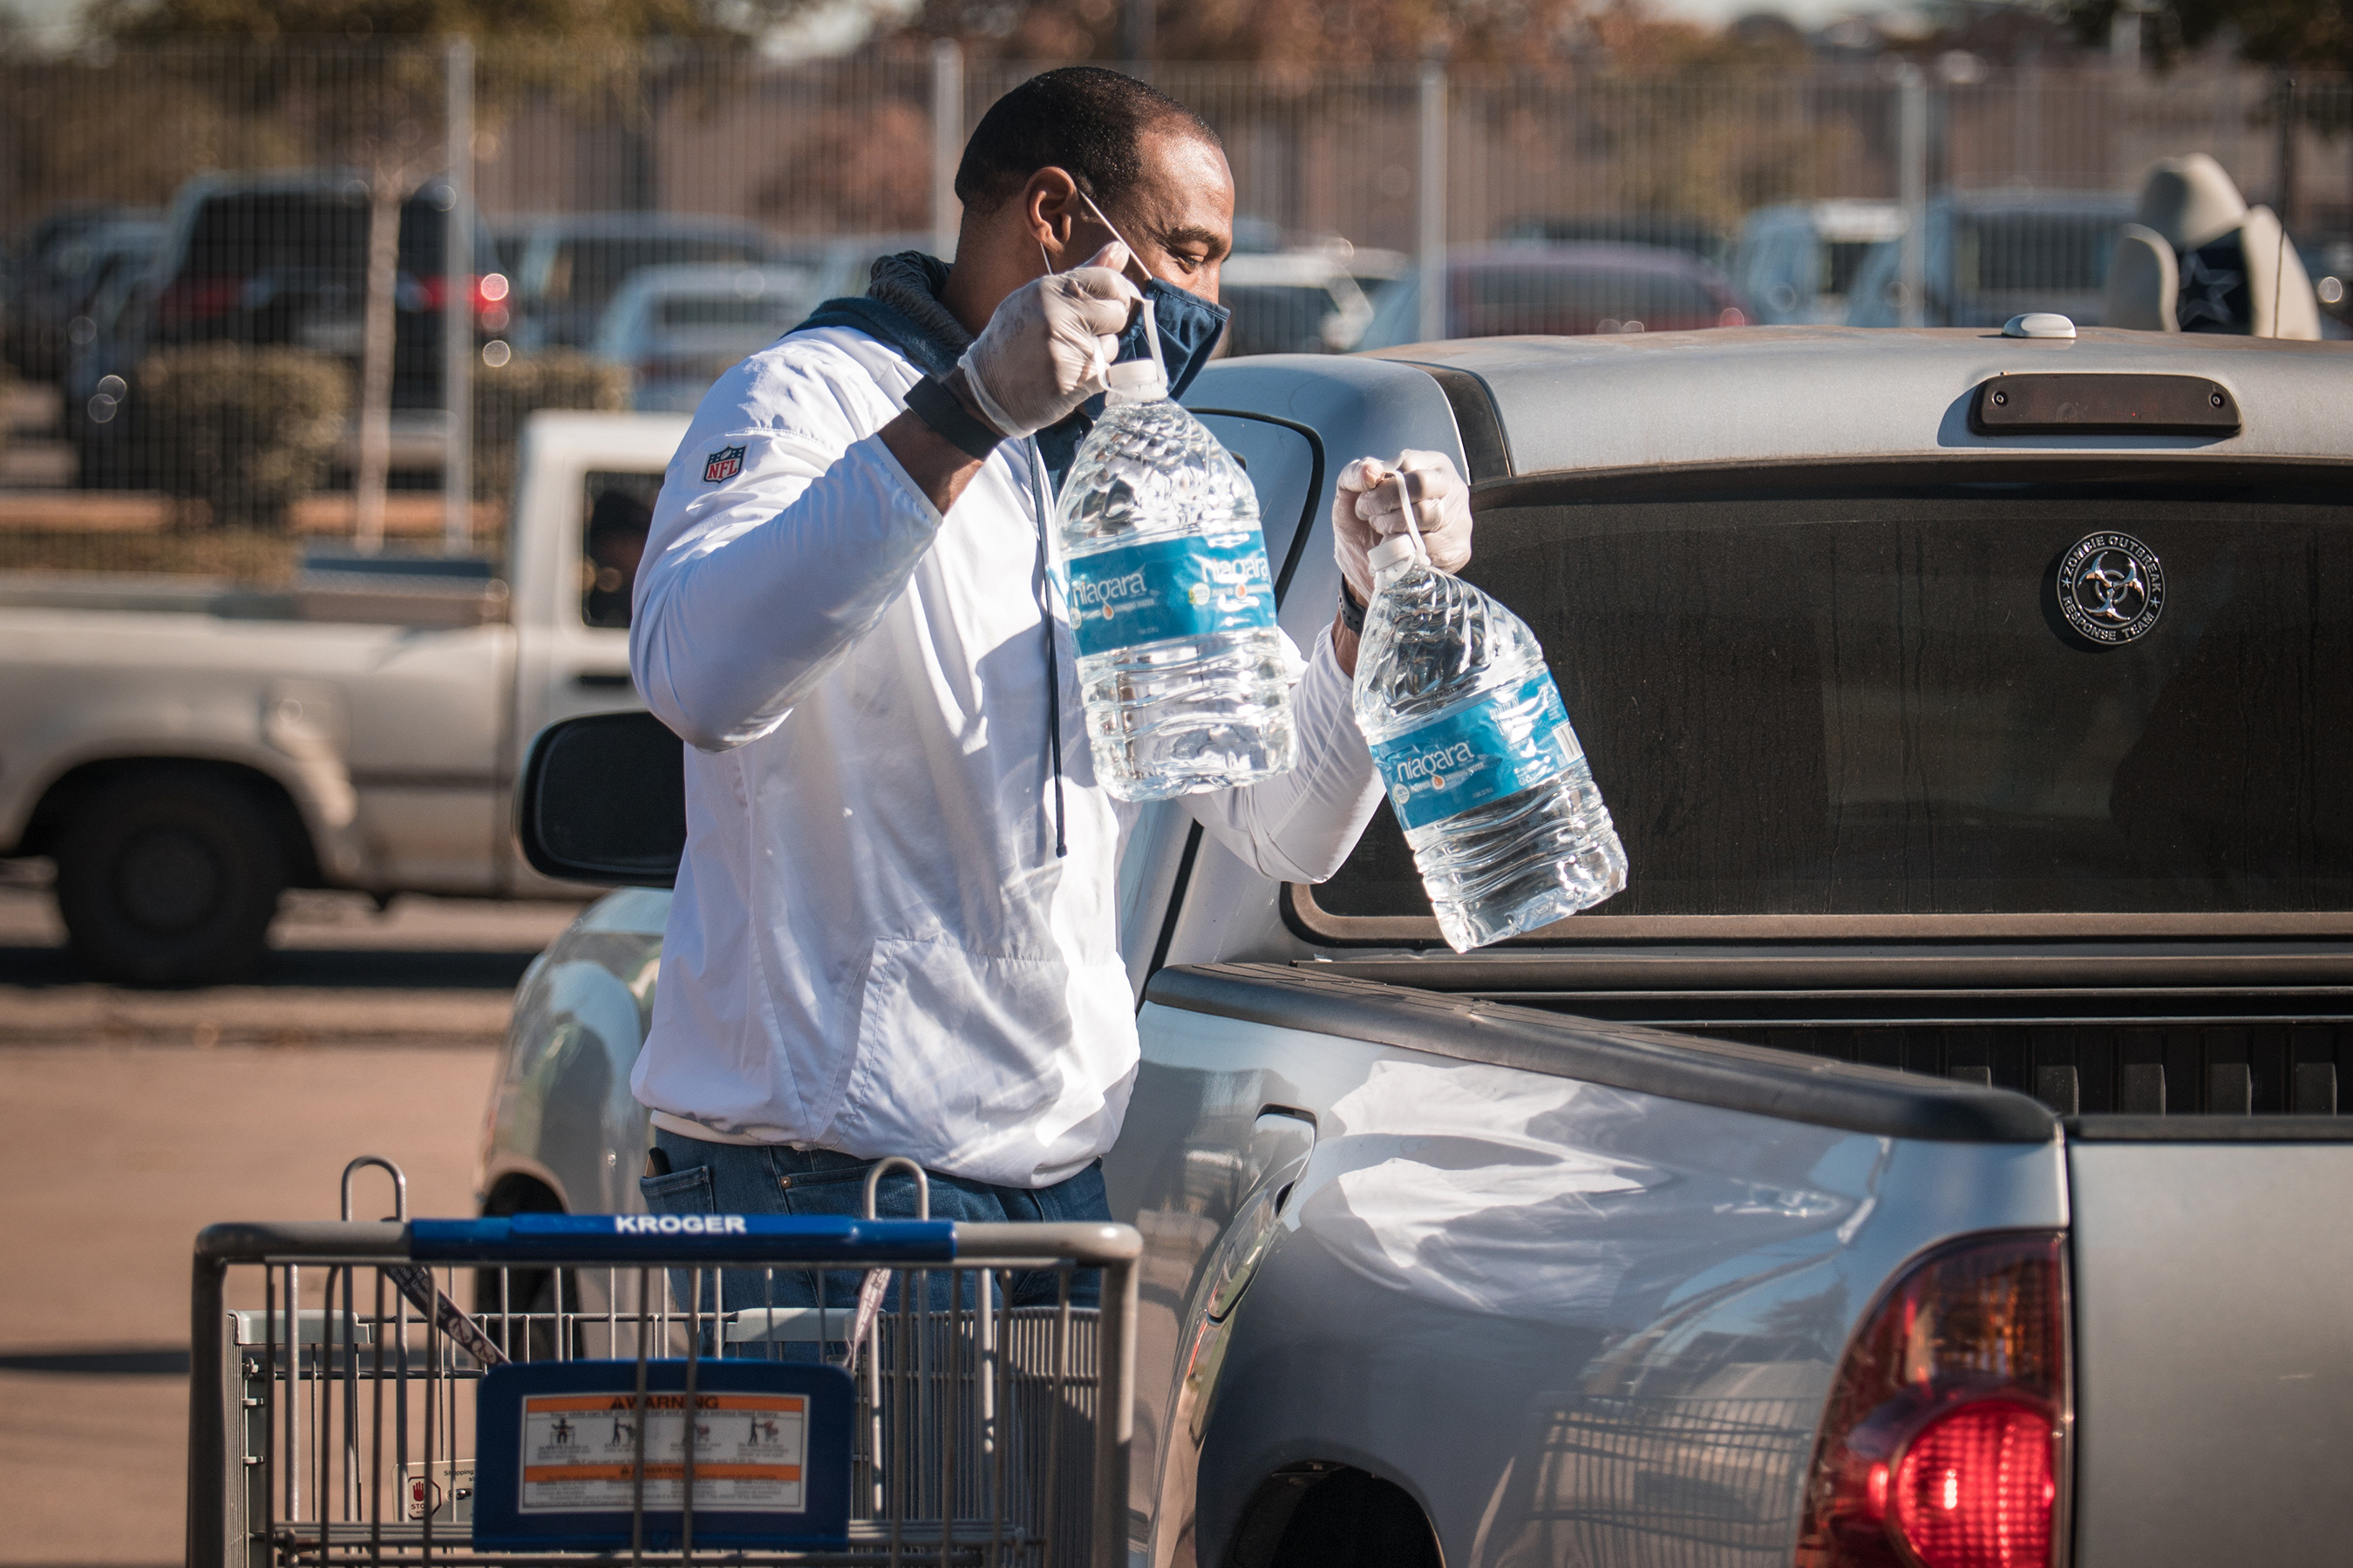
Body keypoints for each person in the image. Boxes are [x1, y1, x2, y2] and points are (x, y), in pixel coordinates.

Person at [626, 66, 1476, 1313]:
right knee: (874, 1522)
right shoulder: (806, 397)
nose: (1208, 303)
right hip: (821, 1186)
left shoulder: (1143, 482)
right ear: (1054, 216)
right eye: (1185, 253)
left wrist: (1365, 615)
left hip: (1055, 1190)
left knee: (1029, 1521)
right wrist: (964, 417)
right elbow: (701, 681)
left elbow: (1281, 822)